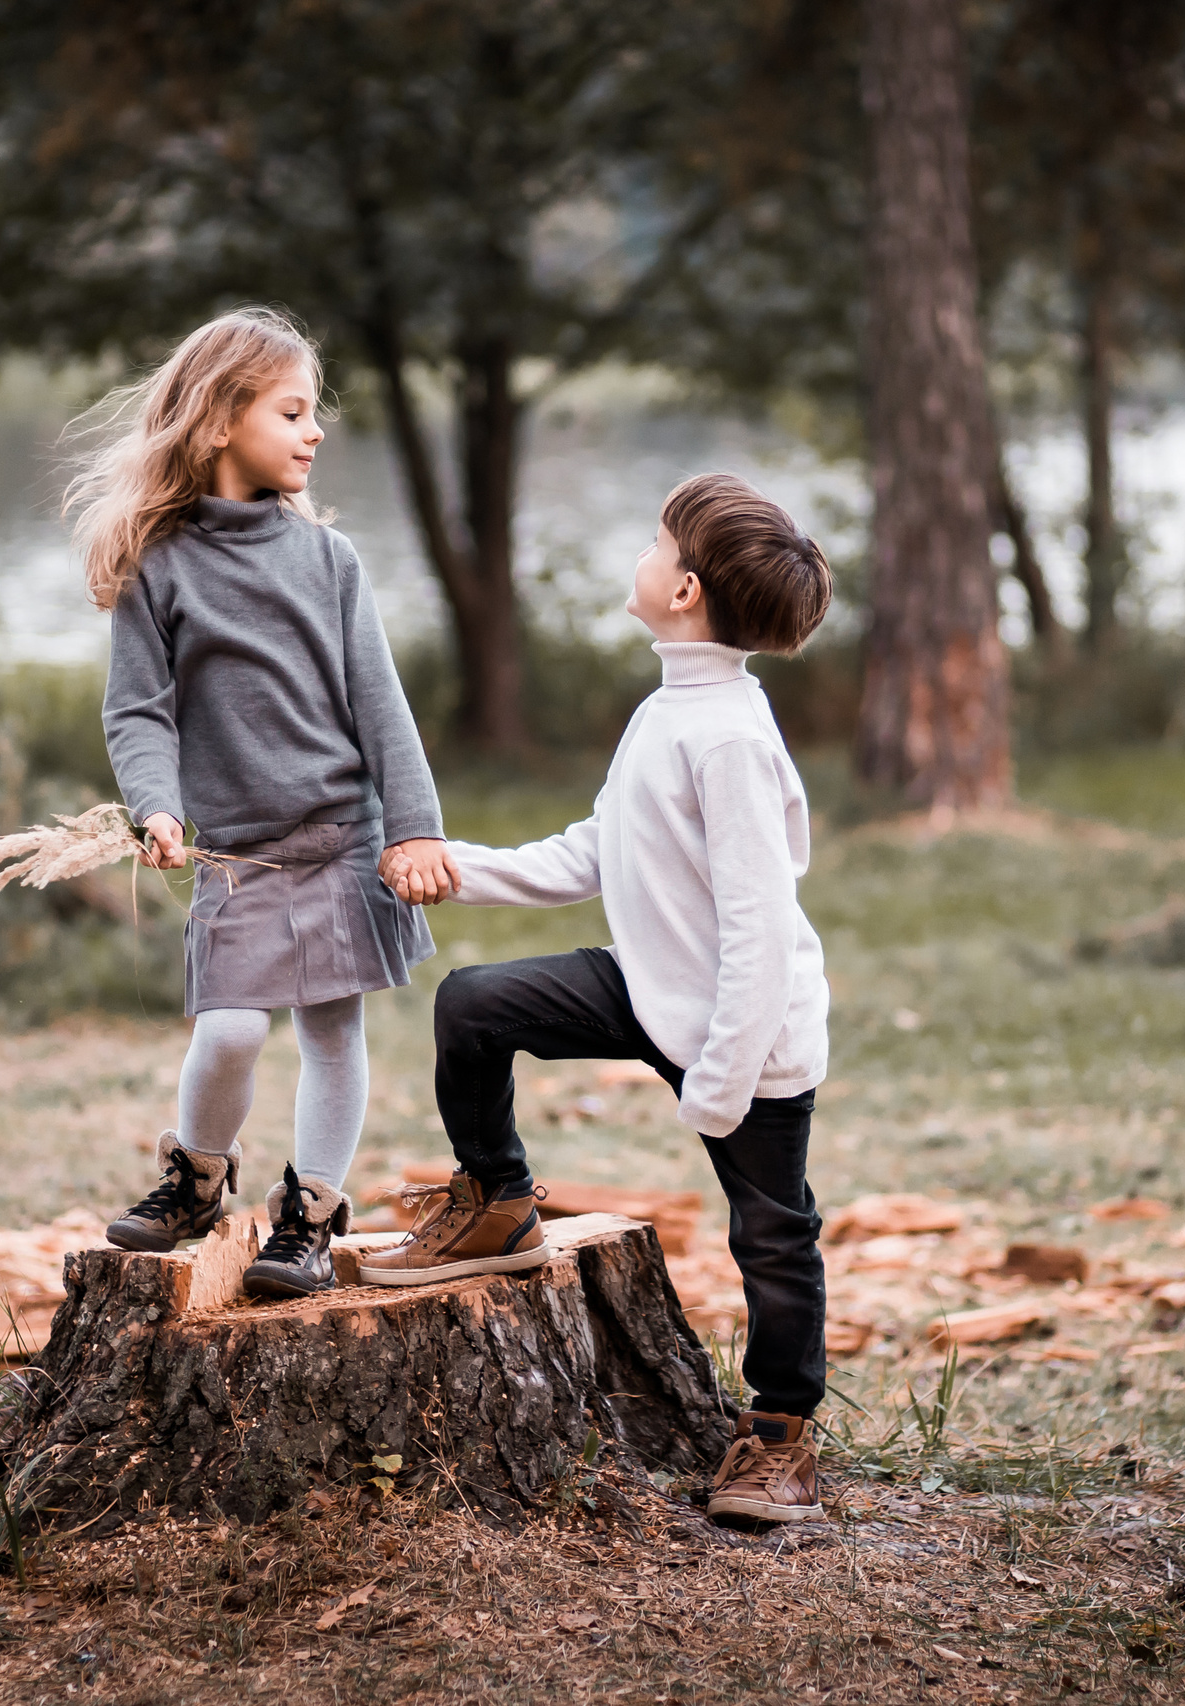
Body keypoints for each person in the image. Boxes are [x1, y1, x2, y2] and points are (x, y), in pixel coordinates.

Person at [362, 472, 836, 1527]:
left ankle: (780, 1436)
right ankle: (498, 1199)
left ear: (684, 590)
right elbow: (595, 849)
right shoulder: (670, 708)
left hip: (745, 1027)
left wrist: (715, 1080)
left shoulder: (728, 737)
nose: (641, 555)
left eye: (655, 544)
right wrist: (459, 864)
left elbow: (759, 929)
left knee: (771, 1228)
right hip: (652, 981)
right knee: (473, 1005)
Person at [78, 307, 459, 1298]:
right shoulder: (158, 568)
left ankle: (312, 1210)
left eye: (313, 413)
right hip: (240, 853)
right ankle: (199, 1175)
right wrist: (154, 806)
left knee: (333, 1031)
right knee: (233, 1029)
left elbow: (383, 710)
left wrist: (415, 828)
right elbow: (138, 714)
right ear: (217, 421)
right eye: (291, 411)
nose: (314, 430)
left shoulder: (328, 561)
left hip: (340, 839)